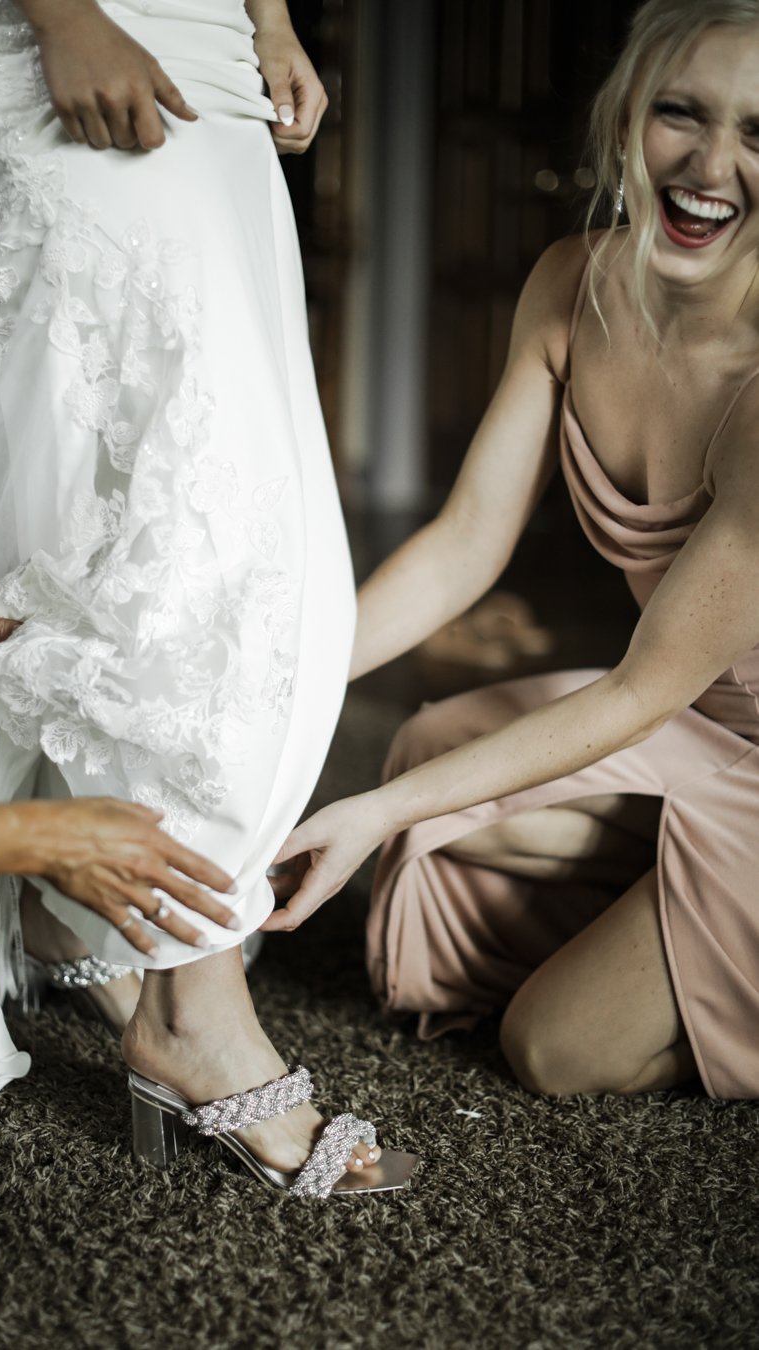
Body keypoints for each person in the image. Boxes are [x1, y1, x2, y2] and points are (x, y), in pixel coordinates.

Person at [0, 0, 414, 1196]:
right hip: (63, 20)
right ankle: (192, 1006)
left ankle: (82, 916)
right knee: (207, 516)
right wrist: (63, 13)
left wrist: (267, 17)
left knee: (140, 498)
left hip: (212, 37)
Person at [270, 0, 759, 1104]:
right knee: (427, 749)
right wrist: (288, 687)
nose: (710, 164)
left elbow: (638, 689)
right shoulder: (569, 282)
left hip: (669, 706)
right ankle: (676, 884)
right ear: (627, 116)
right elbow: (460, 549)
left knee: (553, 1047)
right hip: (701, 726)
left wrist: (375, 819)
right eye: (681, 112)